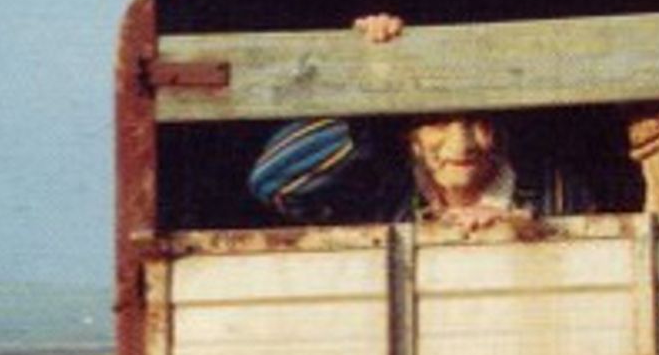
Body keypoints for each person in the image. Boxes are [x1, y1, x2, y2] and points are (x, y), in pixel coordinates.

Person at [247, 14, 577, 231]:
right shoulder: (385, 188)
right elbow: (274, 183)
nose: (460, 144)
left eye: (478, 121)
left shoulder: (547, 187)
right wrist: (370, 75)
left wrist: (524, 231)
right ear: (410, 134)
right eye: (436, 123)